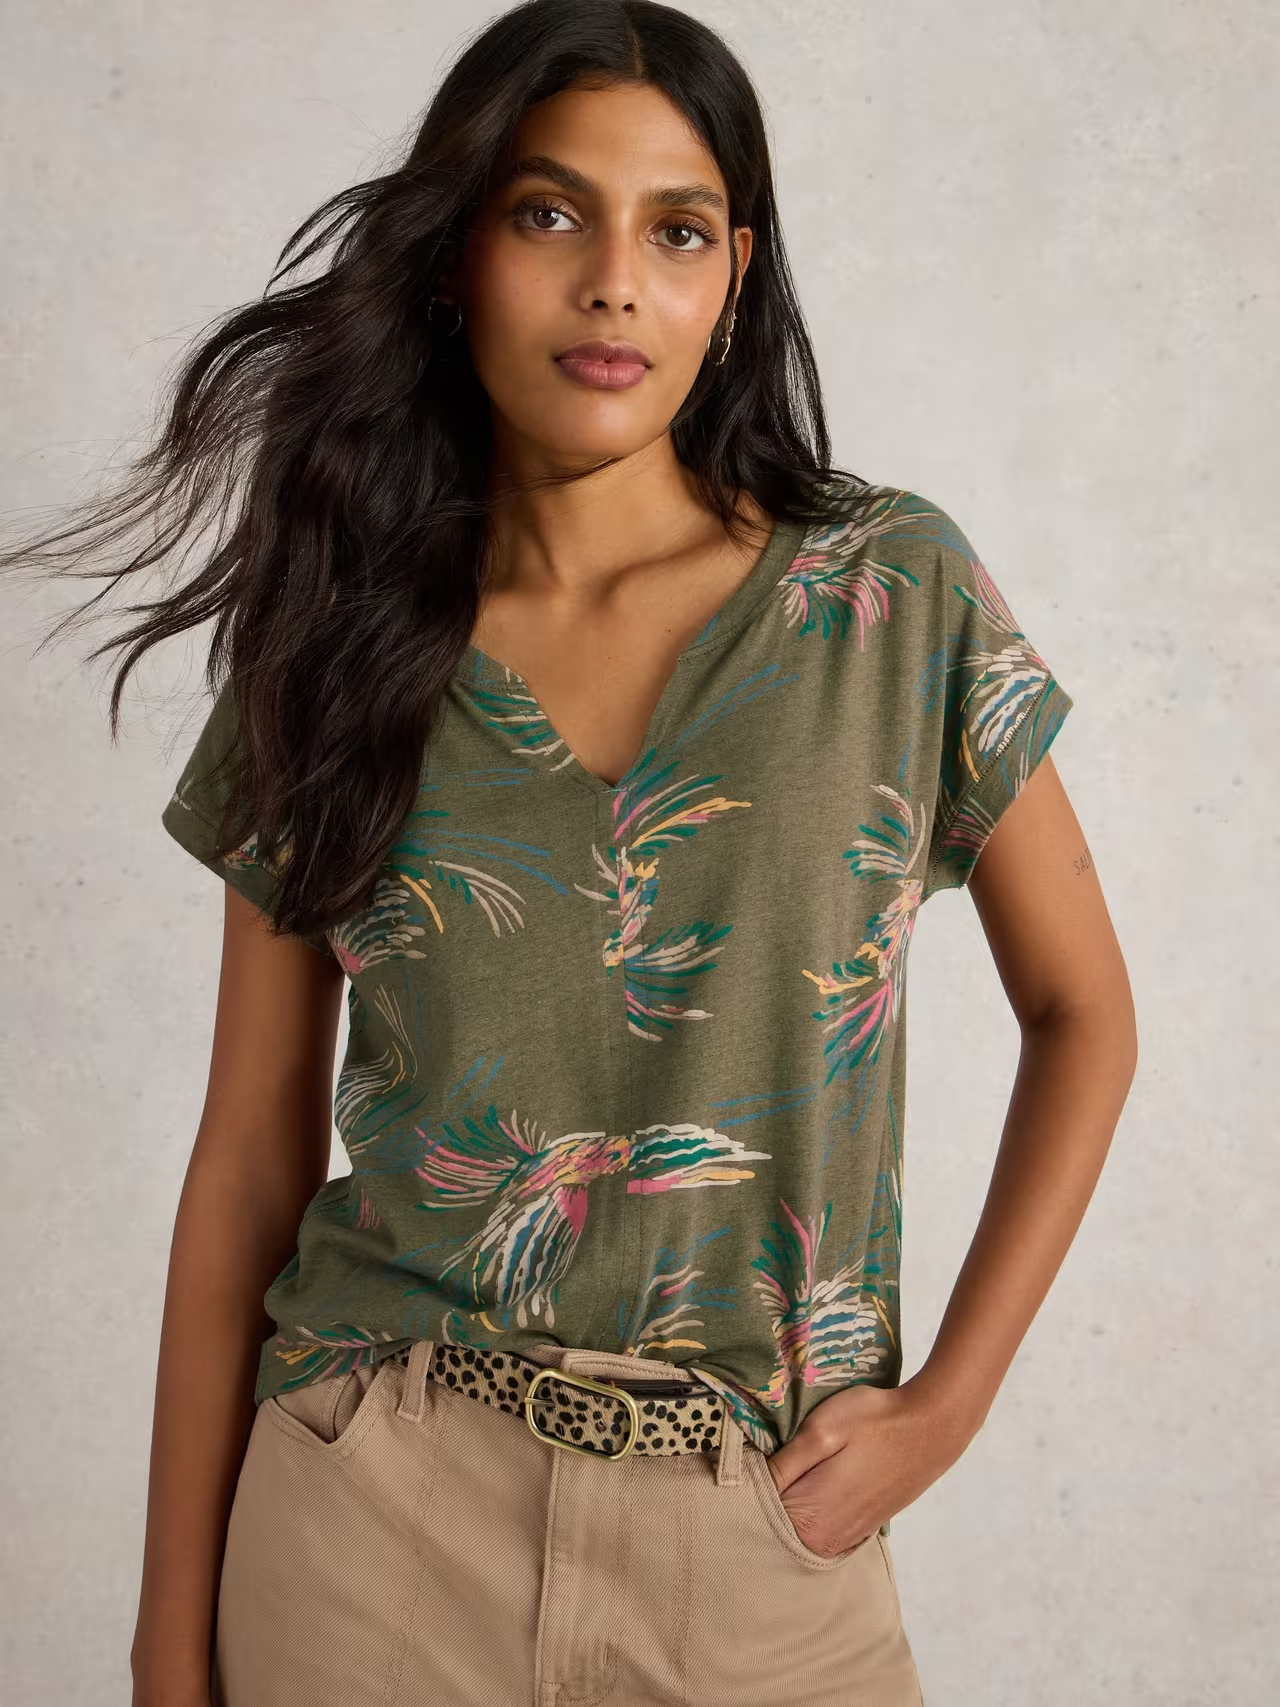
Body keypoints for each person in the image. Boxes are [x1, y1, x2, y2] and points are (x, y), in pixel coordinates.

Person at [4, 3, 1137, 1703]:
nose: (614, 283)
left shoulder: (890, 596)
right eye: (550, 214)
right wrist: (169, 1653)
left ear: (734, 275)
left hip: (761, 1537)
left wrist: (950, 1403)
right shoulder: (336, 640)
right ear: (457, 254)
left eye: (676, 230)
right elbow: (247, 1153)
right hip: (374, 1532)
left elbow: (1087, 1013)